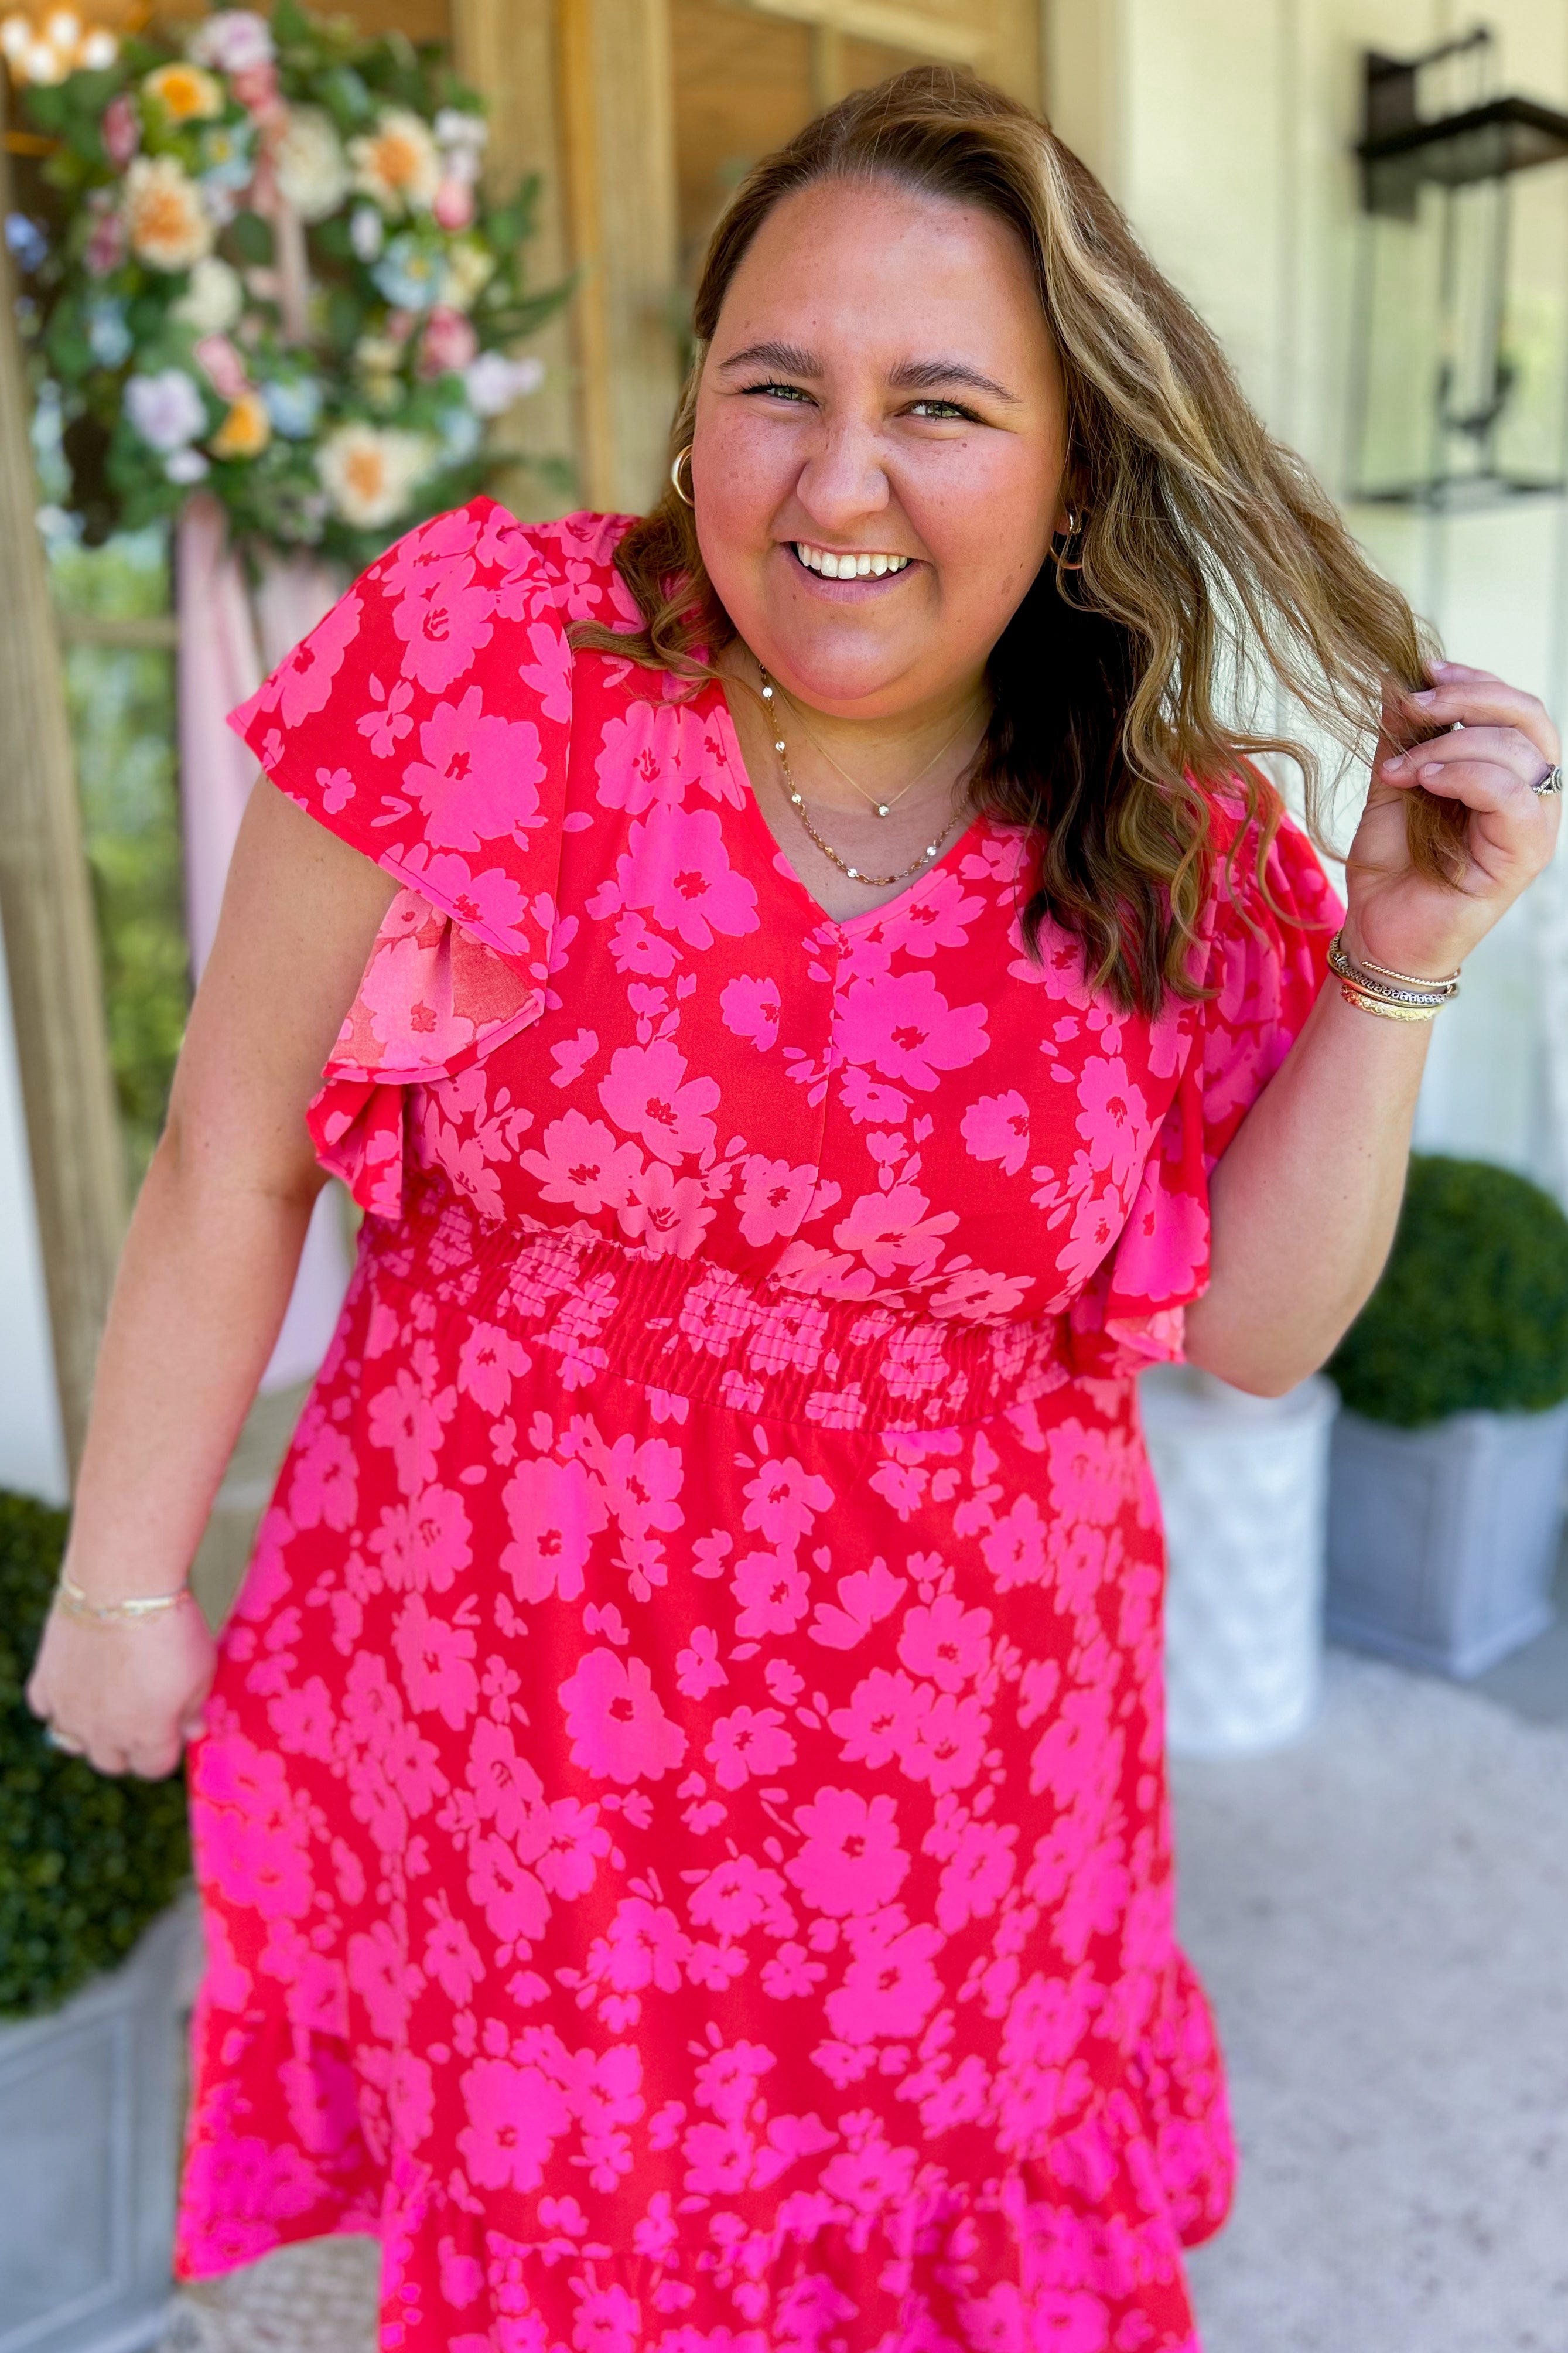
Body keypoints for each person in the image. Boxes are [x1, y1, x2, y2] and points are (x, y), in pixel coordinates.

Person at [26, 65, 1560, 2353]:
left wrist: (1403, 952)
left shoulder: (1175, 843)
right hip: (522, 1736)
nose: (838, 481)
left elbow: (1254, 1334)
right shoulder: (490, 660)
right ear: (694, 417)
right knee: (576, 2257)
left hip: (956, 1790)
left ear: (1071, 472)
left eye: (940, 405)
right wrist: (124, 1577)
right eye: (776, 388)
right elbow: (228, 1149)